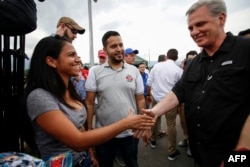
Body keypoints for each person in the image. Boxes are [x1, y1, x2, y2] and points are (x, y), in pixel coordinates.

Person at [140, 0, 250, 166]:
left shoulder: (245, 49)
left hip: (236, 154)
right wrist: (154, 112)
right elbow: (179, 91)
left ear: (221, 19)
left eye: (200, 24)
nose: (194, 32)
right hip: (201, 154)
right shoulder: (193, 63)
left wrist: (241, 153)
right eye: (191, 28)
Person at [23, 35, 155, 167]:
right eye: (71, 55)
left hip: (87, 159)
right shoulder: (40, 97)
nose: (78, 60)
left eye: (121, 45)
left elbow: (80, 125)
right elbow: (78, 141)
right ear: (51, 61)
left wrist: (90, 154)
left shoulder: (69, 91)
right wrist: (125, 123)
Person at [85, 31, 149, 167]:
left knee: (132, 163)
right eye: (114, 46)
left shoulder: (134, 70)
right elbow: (89, 103)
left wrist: (145, 125)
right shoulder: (95, 72)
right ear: (105, 50)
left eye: (121, 45)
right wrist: (89, 129)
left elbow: (140, 100)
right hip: (104, 134)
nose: (119, 49)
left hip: (130, 134)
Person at [146, 50, 183, 161]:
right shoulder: (179, 70)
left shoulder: (156, 67)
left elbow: (149, 83)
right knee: (171, 125)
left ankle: (153, 140)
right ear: (176, 58)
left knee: (155, 120)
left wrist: (148, 95)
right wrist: (179, 103)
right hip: (170, 101)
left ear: (167, 56)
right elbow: (181, 89)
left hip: (156, 98)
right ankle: (171, 152)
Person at [178, 50, 198, 157]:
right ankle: (186, 138)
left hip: (197, 103)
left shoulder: (202, 70)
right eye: (189, 60)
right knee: (183, 122)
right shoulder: (183, 72)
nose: (191, 62)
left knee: (193, 124)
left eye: (194, 59)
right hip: (184, 102)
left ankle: (192, 144)